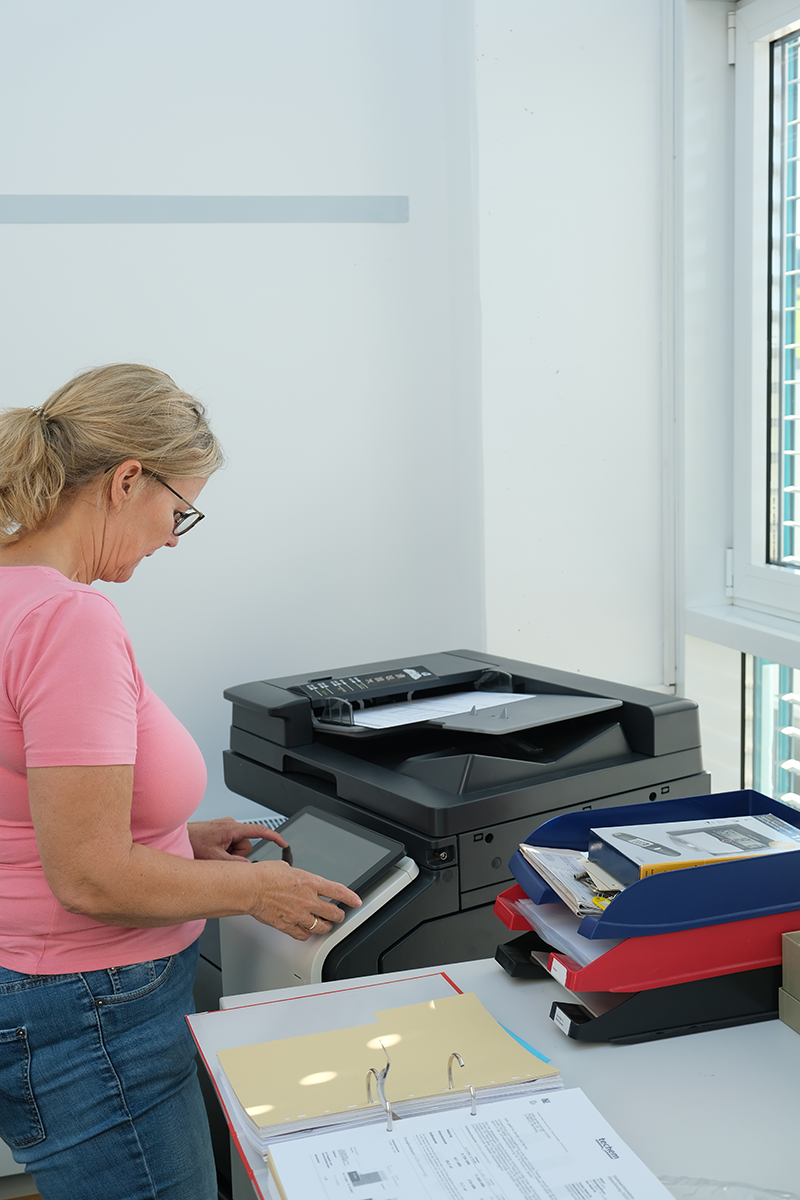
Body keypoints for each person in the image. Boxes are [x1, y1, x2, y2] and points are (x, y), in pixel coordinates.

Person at [0, 364, 361, 1200]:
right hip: (91, 1005)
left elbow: (26, 801)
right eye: (178, 511)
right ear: (128, 479)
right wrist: (254, 892)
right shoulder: (66, 620)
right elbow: (87, 874)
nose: (170, 538)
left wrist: (177, 840)